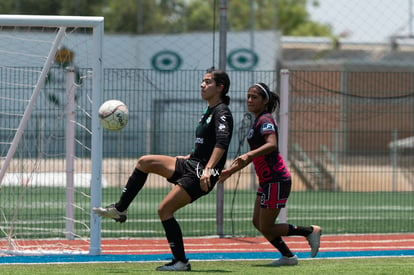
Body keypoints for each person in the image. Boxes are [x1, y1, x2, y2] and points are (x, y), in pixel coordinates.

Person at [93, 68, 233, 271]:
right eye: (202, 81)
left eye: (208, 82)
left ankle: (181, 262)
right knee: (145, 162)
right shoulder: (209, 110)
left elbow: (222, 142)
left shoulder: (222, 112)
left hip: (204, 172)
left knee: (164, 210)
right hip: (192, 164)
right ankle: (120, 209)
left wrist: (208, 169)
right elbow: (205, 143)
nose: (202, 85)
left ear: (220, 87)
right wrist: (189, 156)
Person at [219, 82, 321, 266]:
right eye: (248, 96)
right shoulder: (257, 120)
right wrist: (229, 172)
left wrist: (249, 153)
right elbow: (252, 158)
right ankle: (288, 257)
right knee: (258, 223)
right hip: (267, 181)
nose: (249, 100)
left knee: (267, 226)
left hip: (276, 180)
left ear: (265, 101)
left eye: (254, 97)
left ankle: (309, 231)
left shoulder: (265, 120)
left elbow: (271, 144)